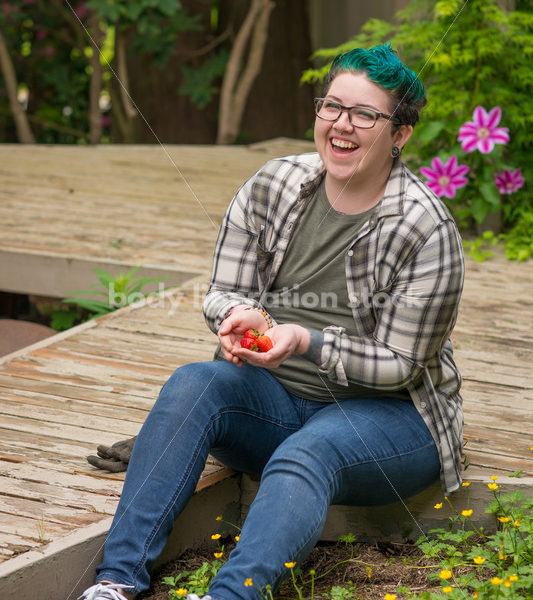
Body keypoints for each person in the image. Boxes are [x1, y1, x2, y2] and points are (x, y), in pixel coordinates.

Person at [79, 43, 464, 600]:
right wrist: (239, 314)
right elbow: (224, 289)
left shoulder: (426, 229)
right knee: (193, 385)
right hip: (277, 402)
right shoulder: (273, 185)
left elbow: (401, 367)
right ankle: (115, 581)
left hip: (392, 421)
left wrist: (305, 340)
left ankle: (231, 594)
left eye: (365, 115)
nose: (342, 125)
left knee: (311, 449)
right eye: (331, 107)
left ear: (399, 135)